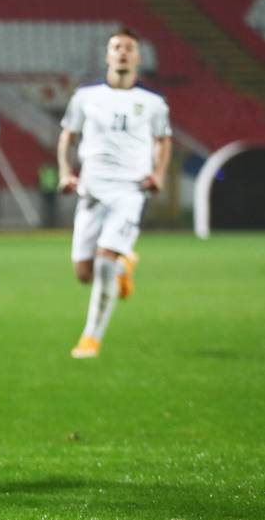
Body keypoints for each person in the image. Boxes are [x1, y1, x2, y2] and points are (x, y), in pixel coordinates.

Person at [57, 27, 172, 359]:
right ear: (108, 55)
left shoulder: (152, 102)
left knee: (104, 260)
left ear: (137, 57)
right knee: (84, 273)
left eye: (129, 47)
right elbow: (67, 136)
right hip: (91, 190)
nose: (122, 52)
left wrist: (159, 175)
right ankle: (124, 266)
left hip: (130, 190)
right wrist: (66, 172)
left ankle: (91, 338)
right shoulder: (85, 96)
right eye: (116, 47)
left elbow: (163, 140)